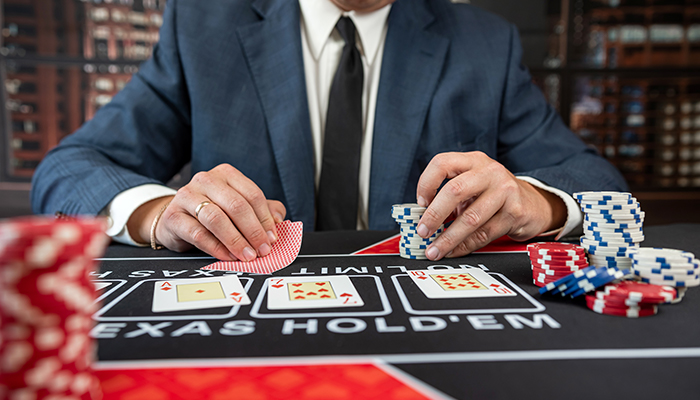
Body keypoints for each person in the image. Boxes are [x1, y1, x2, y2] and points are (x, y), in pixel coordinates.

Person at [31, 0, 627, 263]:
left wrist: (535, 201)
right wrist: (161, 213)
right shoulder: (202, 23)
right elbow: (70, 168)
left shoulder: (485, 43)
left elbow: (599, 184)